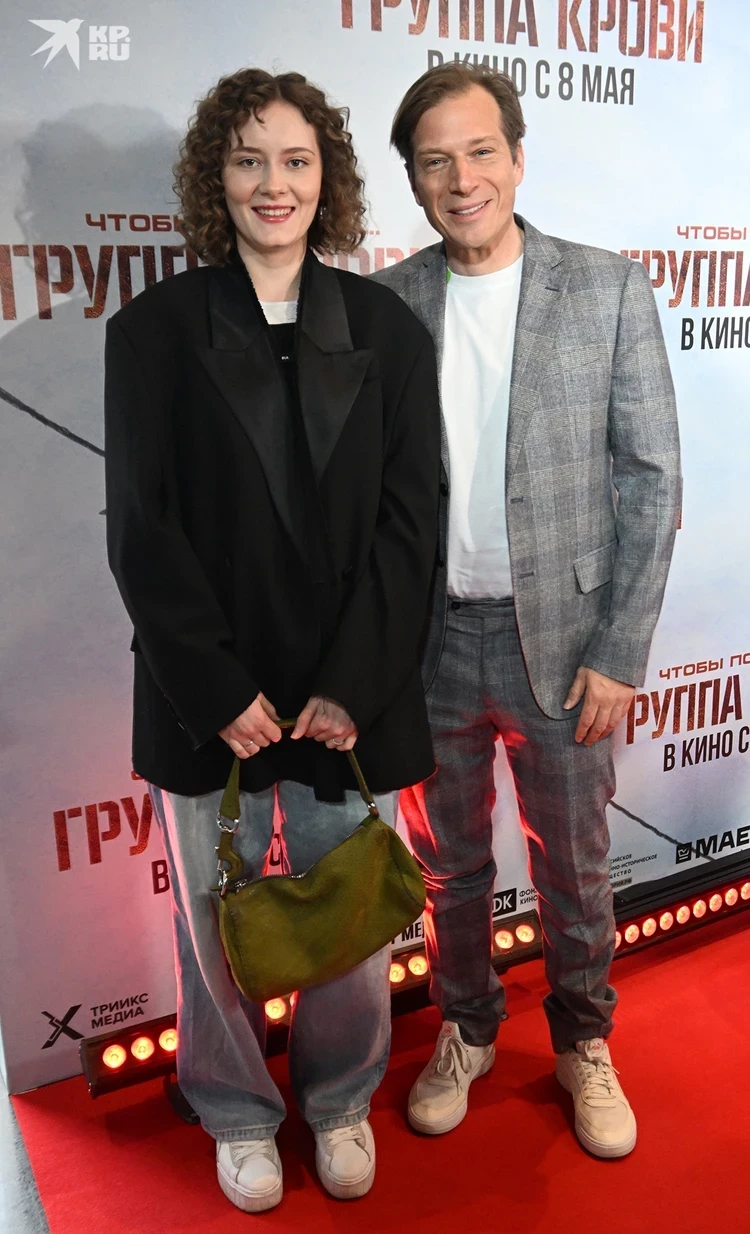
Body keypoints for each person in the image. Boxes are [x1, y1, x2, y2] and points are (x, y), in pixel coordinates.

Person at [104, 68, 440, 1212]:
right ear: (217, 179)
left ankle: (340, 1097)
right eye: (248, 160)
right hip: (212, 695)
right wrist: (215, 686)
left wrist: (357, 682)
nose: (273, 183)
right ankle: (237, 1109)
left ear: (326, 176)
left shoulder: (388, 331)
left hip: (351, 693)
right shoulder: (152, 333)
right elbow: (141, 529)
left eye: (295, 159)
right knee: (213, 923)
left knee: (350, 917)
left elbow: (410, 524)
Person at [372, 63, 681, 1159]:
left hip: (565, 644)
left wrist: (621, 651)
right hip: (428, 649)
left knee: (575, 866)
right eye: (435, 161)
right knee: (447, 867)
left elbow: (652, 479)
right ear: (415, 180)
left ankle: (585, 1040)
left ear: (516, 155)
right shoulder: (387, 303)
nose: (462, 180)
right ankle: (466, 1026)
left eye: (479, 151)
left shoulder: (606, 289)